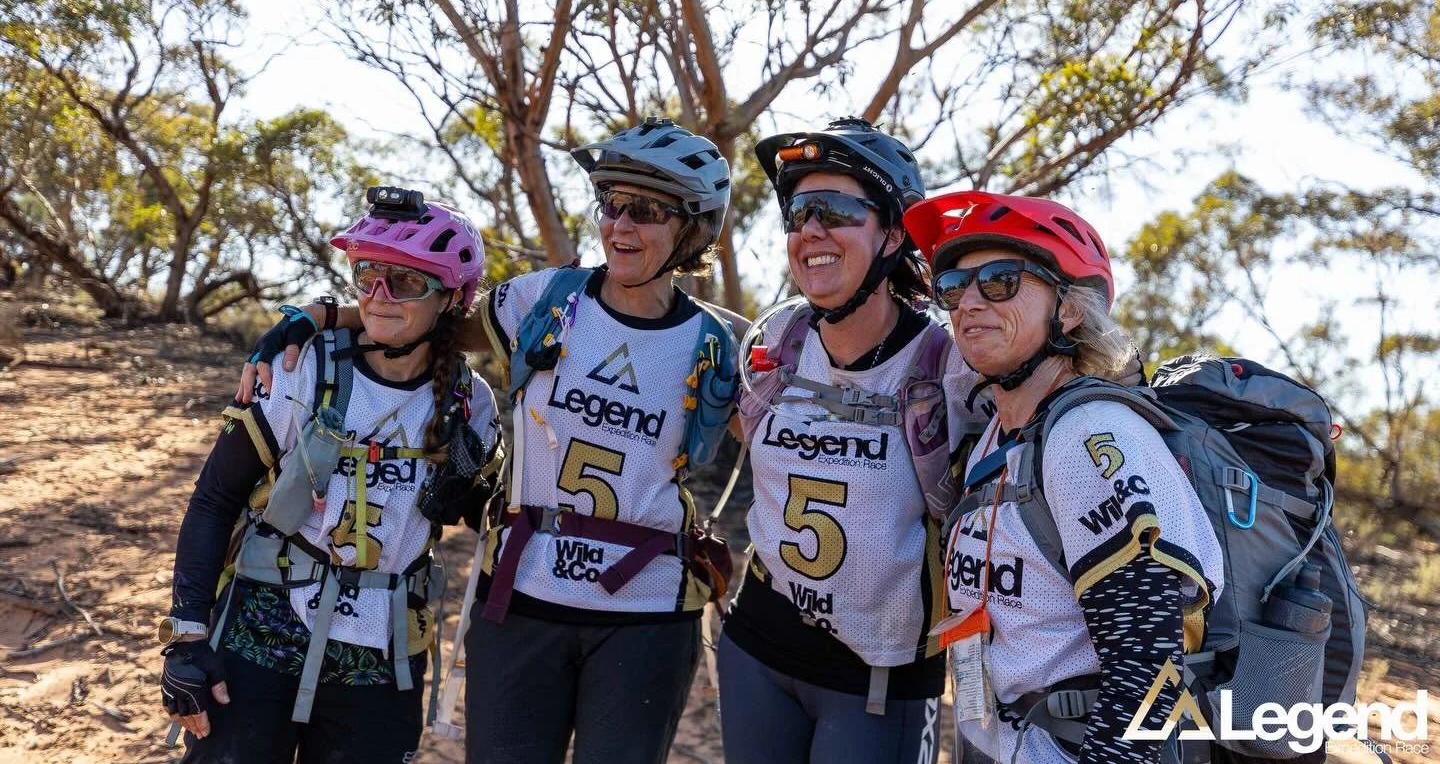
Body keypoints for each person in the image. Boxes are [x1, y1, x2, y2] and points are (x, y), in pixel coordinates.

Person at [237, 118, 742, 764]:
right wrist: (317, 317)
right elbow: (432, 324)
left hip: (647, 610)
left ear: (694, 228)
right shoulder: (545, 299)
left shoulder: (714, 347)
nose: (618, 226)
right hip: (523, 596)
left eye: (643, 210)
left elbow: (779, 444)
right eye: (610, 204)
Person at [161, 188, 501, 764]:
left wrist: (472, 480)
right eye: (367, 274)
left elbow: (481, 516)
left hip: (383, 651)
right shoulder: (303, 369)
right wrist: (188, 639)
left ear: (450, 298)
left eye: (407, 282)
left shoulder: (471, 402)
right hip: (261, 633)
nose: (379, 297)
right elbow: (215, 498)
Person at [901, 190, 1225, 764]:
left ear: (1070, 309)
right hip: (998, 737)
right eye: (953, 286)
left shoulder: (1088, 434)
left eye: (1000, 280)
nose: (969, 301)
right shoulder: (998, 439)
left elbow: (1146, 665)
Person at [718, 119, 985, 764]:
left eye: (836, 211)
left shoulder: (947, 361)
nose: (811, 229)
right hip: (756, 648)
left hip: (880, 676)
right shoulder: (779, 338)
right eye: (799, 212)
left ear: (892, 234)